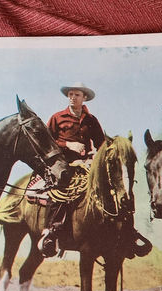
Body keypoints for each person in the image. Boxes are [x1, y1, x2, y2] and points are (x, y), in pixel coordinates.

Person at [38, 82, 106, 257]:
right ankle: (50, 231)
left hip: (85, 163)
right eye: (70, 94)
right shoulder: (57, 117)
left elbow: (101, 143)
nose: (72, 98)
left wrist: (97, 156)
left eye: (76, 95)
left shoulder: (91, 120)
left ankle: (114, 228)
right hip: (62, 162)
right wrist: (68, 144)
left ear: (84, 98)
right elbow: (46, 141)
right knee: (61, 185)